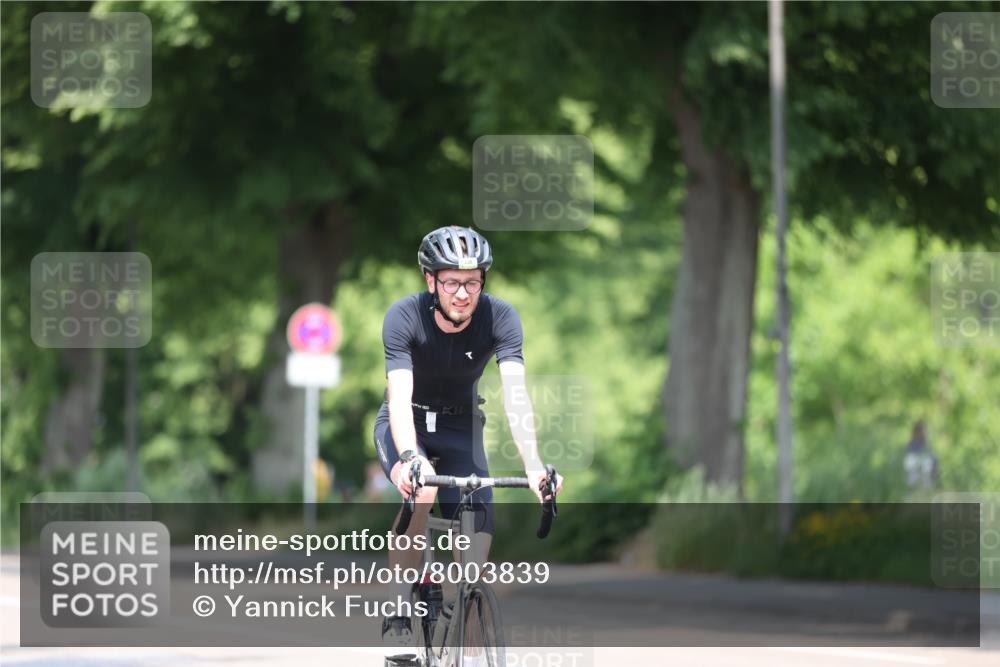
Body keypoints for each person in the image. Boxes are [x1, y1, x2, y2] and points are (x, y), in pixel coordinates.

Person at [373, 226, 564, 663]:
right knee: (423, 489)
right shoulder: (403, 316)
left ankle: (467, 637)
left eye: (473, 281)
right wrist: (408, 458)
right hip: (408, 424)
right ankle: (400, 610)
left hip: (463, 429)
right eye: (452, 281)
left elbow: (516, 394)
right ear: (430, 281)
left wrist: (534, 465)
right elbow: (398, 398)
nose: (463, 292)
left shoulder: (500, 318)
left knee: (475, 558)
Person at [903, 420, 940, 491]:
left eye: (926, 432)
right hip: (911, 488)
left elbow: (936, 470)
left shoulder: (929, 450)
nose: (925, 434)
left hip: (927, 488)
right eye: (922, 432)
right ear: (915, 433)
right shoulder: (908, 450)